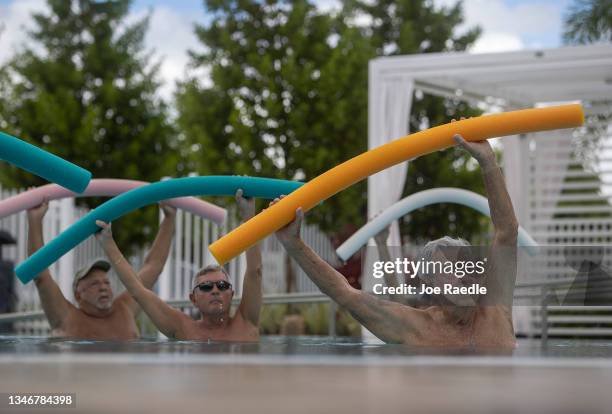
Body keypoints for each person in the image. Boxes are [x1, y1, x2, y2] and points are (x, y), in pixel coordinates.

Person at [274, 131, 518, 348]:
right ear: (431, 286)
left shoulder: (495, 311)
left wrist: (487, 161)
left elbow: (506, 233)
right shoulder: (413, 328)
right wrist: (294, 245)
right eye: (452, 269)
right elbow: (345, 293)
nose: (465, 273)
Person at [95, 190, 262, 342]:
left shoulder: (246, 321)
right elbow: (137, 291)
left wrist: (248, 215)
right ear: (193, 299)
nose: (215, 290)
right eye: (205, 287)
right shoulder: (183, 328)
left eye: (222, 285)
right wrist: (108, 243)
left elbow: (255, 272)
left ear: (232, 293)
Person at [27, 200, 176, 340]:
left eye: (106, 282)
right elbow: (41, 276)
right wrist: (34, 221)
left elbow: (153, 267)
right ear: (78, 295)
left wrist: (169, 218)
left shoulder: (125, 308)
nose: (103, 287)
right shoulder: (66, 316)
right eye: (94, 284)